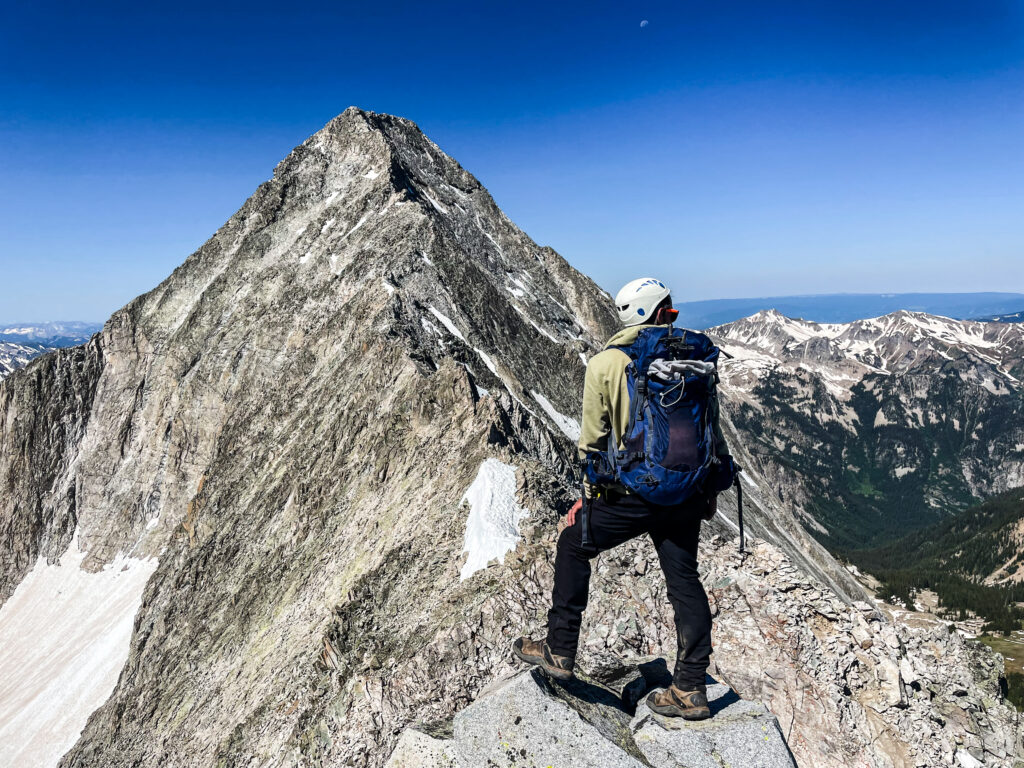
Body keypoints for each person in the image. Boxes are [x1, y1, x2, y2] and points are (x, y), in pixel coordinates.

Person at [513, 277, 733, 720]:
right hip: (688, 489)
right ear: (661, 310)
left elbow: (592, 442)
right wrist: (708, 487)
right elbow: (711, 427)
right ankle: (690, 686)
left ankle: (560, 649)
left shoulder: (607, 363)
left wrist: (588, 502)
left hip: (636, 492)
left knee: (573, 544)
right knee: (684, 581)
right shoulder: (693, 358)